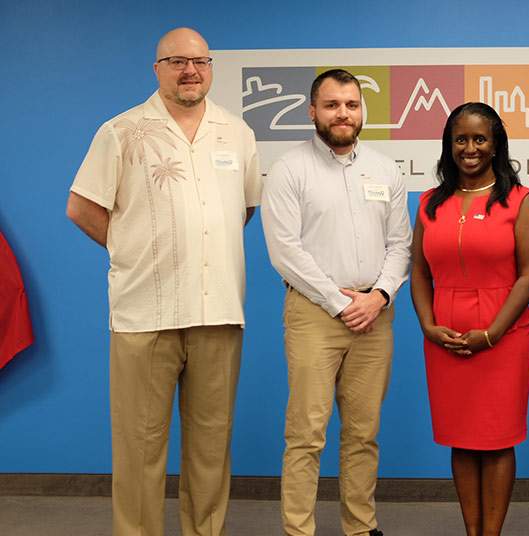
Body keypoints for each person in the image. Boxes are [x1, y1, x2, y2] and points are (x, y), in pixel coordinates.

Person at [66, 27, 261, 536]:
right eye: (176, 61)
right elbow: (82, 207)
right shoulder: (122, 131)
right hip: (143, 313)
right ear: (158, 69)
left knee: (212, 445)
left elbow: (242, 208)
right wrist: (131, 248)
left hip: (218, 309)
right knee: (138, 445)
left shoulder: (236, 133)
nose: (190, 70)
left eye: (199, 61)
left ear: (211, 67)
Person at [261, 69, 412, 536]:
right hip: (314, 314)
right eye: (331, 105)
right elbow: (285, 249)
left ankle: (360, 527)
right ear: (313, 111)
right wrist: (337, 301)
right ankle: (298, 529)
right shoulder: (289, 169)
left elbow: (400, 245)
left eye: (350, 104)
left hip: (375, 316)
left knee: (363, 435)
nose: (342, 114)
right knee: (306, 435)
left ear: (361, 110)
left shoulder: (385, 169)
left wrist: (380, 296)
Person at [410, 102, 529, 536]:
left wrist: (491, 333)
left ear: (496, 145)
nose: (469, 148)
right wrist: (428, 325)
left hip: (502, 339)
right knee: (462, 440)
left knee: (496, 440)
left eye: (479, 139)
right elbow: (418, 271)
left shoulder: (520, 201)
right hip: (445, 338)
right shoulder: (431, 202)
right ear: (449, 146)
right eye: (460, 139)